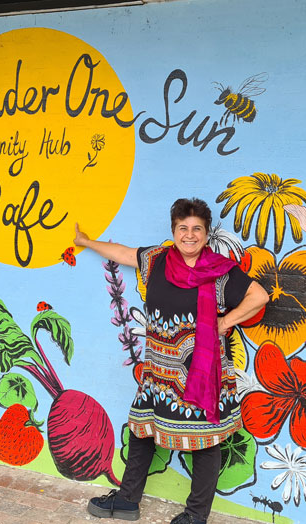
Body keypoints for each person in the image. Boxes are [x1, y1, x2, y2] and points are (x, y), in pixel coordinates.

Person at [76, 198, 268, 524]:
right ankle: (127, 501)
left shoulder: (220, 272)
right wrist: (85, 242)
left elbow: (259, 296)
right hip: (159, 372)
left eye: (197, 229)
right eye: (183, 228)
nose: (189, 235)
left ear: (207, 234)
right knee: (141, 431)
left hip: (201, 373)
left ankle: (195, 516)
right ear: (174, 231)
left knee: (205, 443)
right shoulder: (157, 260)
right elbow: (123, 253)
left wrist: (224, 322)